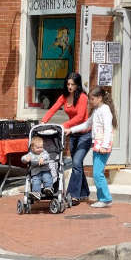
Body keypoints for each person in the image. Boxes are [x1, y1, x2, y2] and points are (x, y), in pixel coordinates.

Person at [41, 72, 89, 205]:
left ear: (77, 85)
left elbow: (80, 117)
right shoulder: (64, 96)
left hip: (84, 134)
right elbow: (54, 108)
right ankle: (83, 192)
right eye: (68, 84)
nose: (70, 87)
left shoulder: (83, 97)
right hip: (72, 134)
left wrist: (64, 125)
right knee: (77, 164)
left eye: (72, 84)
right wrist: (44, 121)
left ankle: (73, 195)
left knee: (77, 163)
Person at [65, 86, 117, 208]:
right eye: (90, 99)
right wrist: (71, 130)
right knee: (97, 173)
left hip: (102, 146)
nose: (90, 101)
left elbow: (108, 129)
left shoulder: (105, 110)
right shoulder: (97, 110)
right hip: (97, 145)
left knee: (97, 173)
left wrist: (104, 145)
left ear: (100, 98)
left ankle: (105, 199)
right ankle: (103, 198)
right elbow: (87, 124)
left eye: (92, 99)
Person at [21, 135, 54, 201]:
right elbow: (23, 158)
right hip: (35, 173)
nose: (40, 149)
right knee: (35, 182)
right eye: (38, 148)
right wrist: (26, 159)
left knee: (47, 178)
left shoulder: (43, 152)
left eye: (41, 147)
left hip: (45, 170)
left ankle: (48, 188)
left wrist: (42, 158)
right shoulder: (30, 154)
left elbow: (47, 156)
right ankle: (36, 193)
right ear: (32, 148)